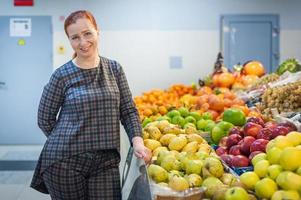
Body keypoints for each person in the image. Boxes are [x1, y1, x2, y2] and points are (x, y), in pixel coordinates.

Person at [30, 10, 151, 200]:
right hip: (65, 162)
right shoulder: (61, 75)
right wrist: (68, 141)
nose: (83, 42)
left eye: (87, 33)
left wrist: (138, 141)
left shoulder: (114, 69)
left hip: (106, 160)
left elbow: (128, 110)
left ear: (97, 32)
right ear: (69, 40)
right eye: (75, 37)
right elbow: (44, 119)